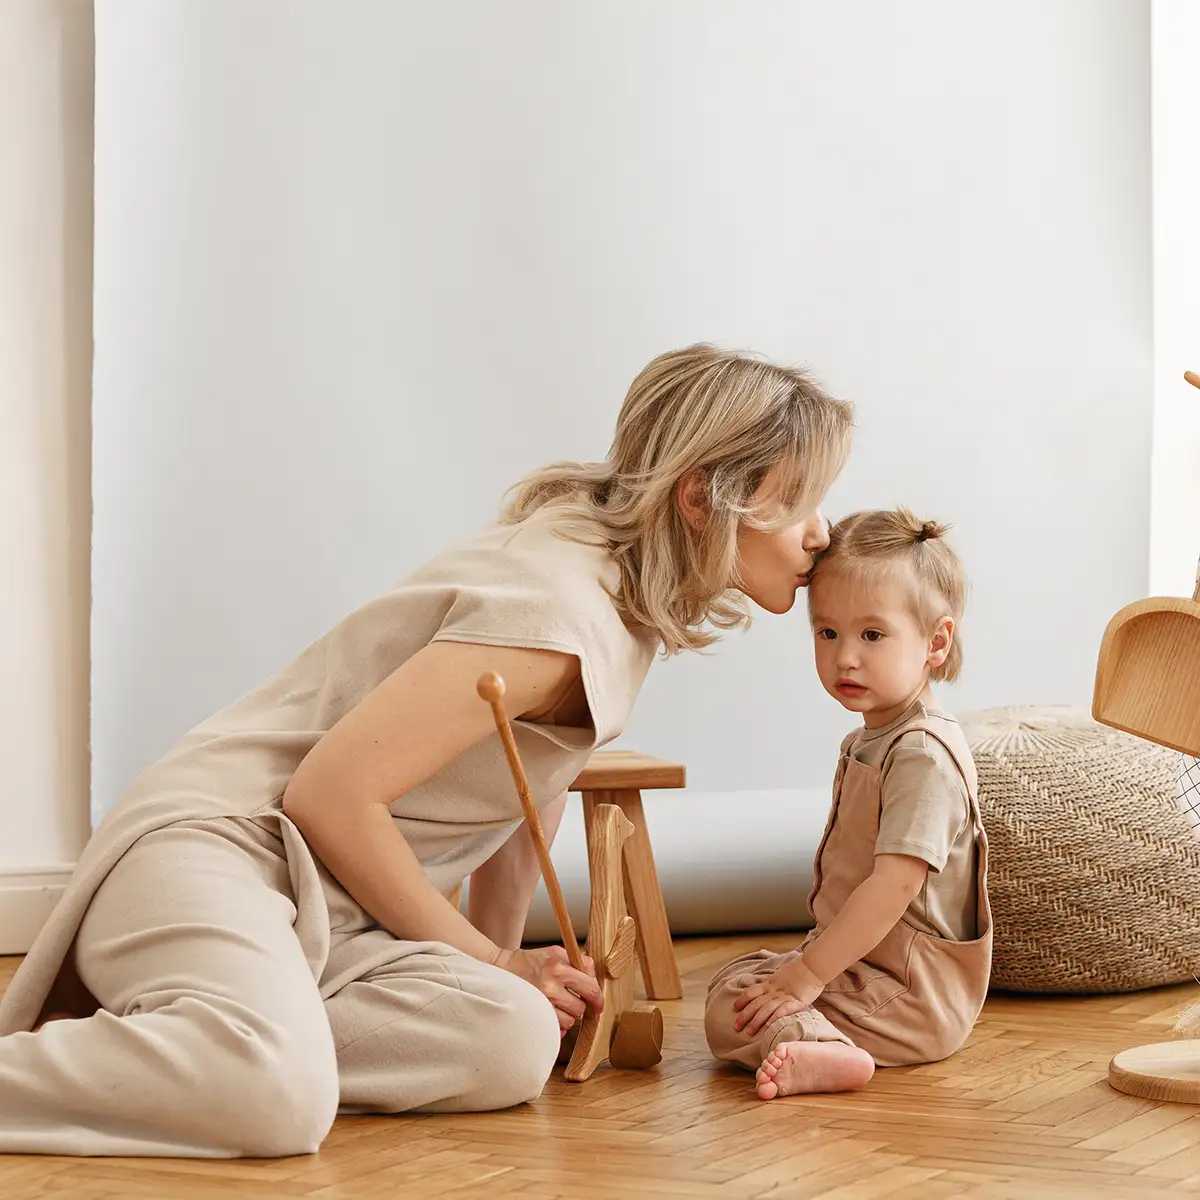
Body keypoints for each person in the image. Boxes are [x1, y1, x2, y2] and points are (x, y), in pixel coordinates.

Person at [0, 344, 852, 1157]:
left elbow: (532, 782)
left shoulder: (616, 589)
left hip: (328, 910)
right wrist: (491, 959)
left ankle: (200, 1039)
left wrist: (509, 967)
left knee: (509, 1041)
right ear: (703, 499)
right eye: (801, 500)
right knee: (277, 1097)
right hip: (224, 850)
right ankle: (231, 1050)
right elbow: (328, 795)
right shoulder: (558, 611)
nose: (821, 533)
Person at [705, 509, 992, 1100]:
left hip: (909, 994)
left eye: (872, 635)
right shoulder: (873, 737)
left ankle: (826, 1049)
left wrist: (808, 974)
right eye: (827, 633)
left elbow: (895, 885)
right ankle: (811, 1038)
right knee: (736, 984)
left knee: (738, 1010)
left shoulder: (923, 754)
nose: (845, 658)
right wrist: (799, 970)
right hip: (864, 969)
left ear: (935, 642)